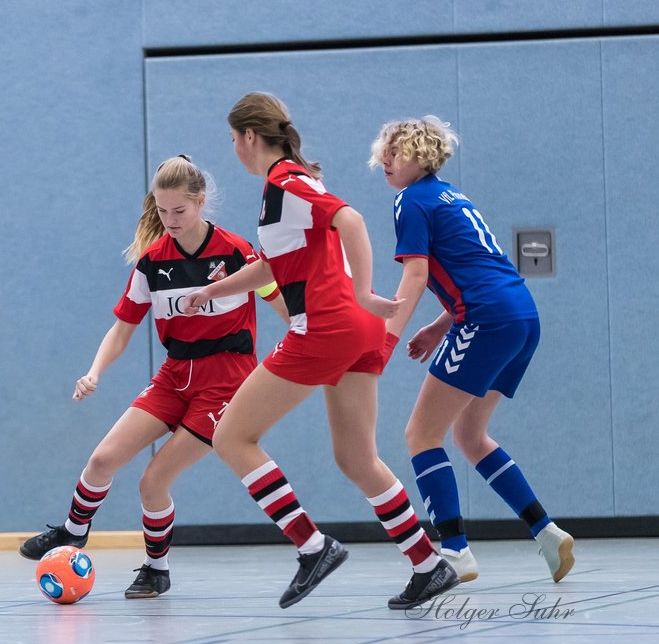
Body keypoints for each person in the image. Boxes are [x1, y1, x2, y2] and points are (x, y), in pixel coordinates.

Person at [183, 92, 459, 610]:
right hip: (356, 333)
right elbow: (273, 266)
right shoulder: (290, 182)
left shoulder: (286, 182)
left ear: (247, 137)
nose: (233, 149)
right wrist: (210, 292)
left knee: (231, 437)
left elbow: (350, 221)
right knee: (356, 457)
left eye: (232, 139)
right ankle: (428, 564)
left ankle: (313, 547)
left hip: (325, 328)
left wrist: (361, 291)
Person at [21, 155, 287, 598]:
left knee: (153, 480)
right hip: (173, 375)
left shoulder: (238, 252)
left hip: (226, 380)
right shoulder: (151, 263)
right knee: (103, 460)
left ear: (200, 202)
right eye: (162, 212)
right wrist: (94, 372)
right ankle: (72, 531)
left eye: (179, 211)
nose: (170, 220)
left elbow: (280, 305)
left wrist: (306, 344)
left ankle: (156, 569)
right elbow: (122, 329)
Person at [371, 115, 575, 584]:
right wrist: (441, 327)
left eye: (396, 152)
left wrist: (386, 339)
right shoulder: (455, 196)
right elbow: (480, 269)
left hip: (486, 320)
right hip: (520, 315)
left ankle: (456, 551)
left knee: (421, 435)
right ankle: (547, 533)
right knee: (469, 435)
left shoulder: (410, 201)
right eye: (383, 150)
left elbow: (417, 275)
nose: (385, 160)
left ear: (421, 157)